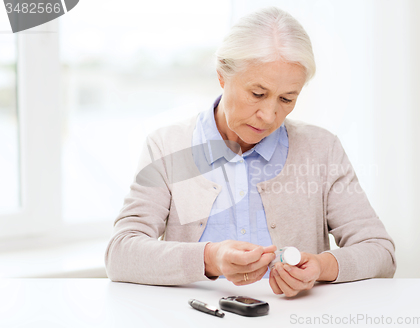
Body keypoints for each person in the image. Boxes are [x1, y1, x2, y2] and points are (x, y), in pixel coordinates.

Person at [104, 7, 396, 297]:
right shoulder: (167, 146)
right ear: (222, 75)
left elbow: (380, 252)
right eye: (257, 94)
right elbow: (120, 254)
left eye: (286, 98)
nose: (269, 115)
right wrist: (210, 258)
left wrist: (322, 266)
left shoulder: (322, 149)